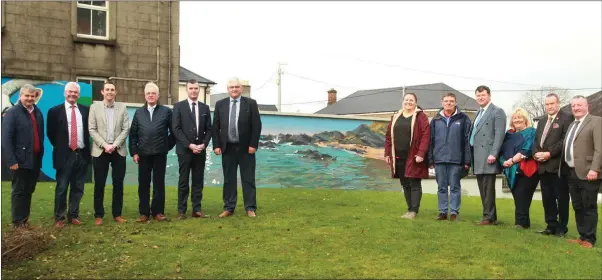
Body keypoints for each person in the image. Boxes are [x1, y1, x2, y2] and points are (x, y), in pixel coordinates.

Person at [212, 77, 262, 218]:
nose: (234, 89)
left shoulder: (251, 104)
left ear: (241, 89)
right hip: (227, 148)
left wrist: (253, 145)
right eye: (231, 87)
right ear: (228, 89)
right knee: (229, 179)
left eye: (236, 87)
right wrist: (216, 146)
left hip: (246, 149)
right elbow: (215, 127)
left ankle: (250, 207)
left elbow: (256, 126)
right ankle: (229, 207)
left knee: (248, 179)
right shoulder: (220, 104)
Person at [129, 82, 176, 223]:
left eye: (153, 93)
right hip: (142, 154)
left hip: (159, 154)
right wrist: (134, 152)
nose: (150, 95)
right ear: (145, 96)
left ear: (158, 95)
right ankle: (144, 213)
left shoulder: (166, 112)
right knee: (143, 184)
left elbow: (174, 133)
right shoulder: (138, 113)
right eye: (148, 93)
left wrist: (165, 147)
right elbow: (133, 135)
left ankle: (158, 212)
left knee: (159, 183)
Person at [47, 82, 91, 228]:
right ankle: (59, 217)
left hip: (81, 154)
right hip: (64, 155)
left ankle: (73, 215)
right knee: (62, 187)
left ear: (79, 94)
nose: (72, 94)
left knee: (78, 188)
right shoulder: (54, 111)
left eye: (75, 92)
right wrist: (62, 147)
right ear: (65, 93)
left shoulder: (85, 110)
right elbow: (51, 134)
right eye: (70, 92)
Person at [560, 95, 601, 248]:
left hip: (589, 172)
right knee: (577, 205)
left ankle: (590, 239)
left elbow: (599, 148)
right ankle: (582, 236)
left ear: (587, 106)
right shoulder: (572, 124)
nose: (576, 108)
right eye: (573, 106)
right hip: (572, 172)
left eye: (579, 105)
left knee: (588, 206)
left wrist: (594, 169)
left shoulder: (596, 121)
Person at [1, 84, 44, 228]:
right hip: (19, 161)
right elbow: (6, 139)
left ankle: (24, 220)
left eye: (32, 96)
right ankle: (17, 224)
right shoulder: (12, 112)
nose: (30, 98)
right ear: (20, 96)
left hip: (34, 160)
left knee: (28, 191)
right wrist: (11, 161)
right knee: (19, 192)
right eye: (27, 96)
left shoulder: (37, 112)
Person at [88, 81, 130, 225]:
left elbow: (126, 129)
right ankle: (98, 215)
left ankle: (117, 214)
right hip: (100, 150)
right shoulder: (94, 107)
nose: (110, 92)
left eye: (112, 90)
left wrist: (115, 145)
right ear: (102, 92)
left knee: (118, 184)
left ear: (115, 92)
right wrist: (105, 145)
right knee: (99, 183)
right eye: (107, 90)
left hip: (118, 151)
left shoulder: (122, 108)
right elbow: (92, 129)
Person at [532, 93, 573, 237]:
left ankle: (562, 227)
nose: (549, 106)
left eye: (552, 103)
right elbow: (537, 141)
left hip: (558, 166)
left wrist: (549, 153)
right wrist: (536, 154)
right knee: (547, 198)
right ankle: (551, 225)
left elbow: (565, 140)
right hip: (542, 167)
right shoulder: (542, 121)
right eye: (547, 104)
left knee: (561, 198)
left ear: (558, 103)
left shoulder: (567, 118)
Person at [384, 92, 430, 219]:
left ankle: (414, 211)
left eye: (411, 100)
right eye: (406, 100)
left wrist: (421, 153)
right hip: (398, 156)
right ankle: (410, 209)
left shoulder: (421, 117)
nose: (408, 102)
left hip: (414, 156)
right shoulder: (396, 116)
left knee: (414, 183)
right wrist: (388, 153)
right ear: (402, 101)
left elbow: (426, 136)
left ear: (416, 102)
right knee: (405, 184)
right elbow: (388, 136)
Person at [428, 92, 472, 221]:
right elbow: (430, 140)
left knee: (455, 187)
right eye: (446, 101)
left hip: (456, 160)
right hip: (439, 159)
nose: (449, 103)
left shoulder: (463, 118)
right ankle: (442, 212)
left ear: (455, 103)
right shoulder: (435, 119)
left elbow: (467, 141)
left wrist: (467, 160)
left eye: (451, 101)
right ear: (442, 103)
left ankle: (454, 213)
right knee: (441, 187)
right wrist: (430, 159)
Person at [172, 79, 212, 219]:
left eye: (196, 88)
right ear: (186, 90)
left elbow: (209, 130)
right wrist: (189, 145)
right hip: (184, 150)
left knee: (198, 181)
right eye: (191, 88)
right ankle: (181, 211)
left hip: (200, 151)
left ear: (199, 90)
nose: (193, 91)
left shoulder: (205, 108)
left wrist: (204, 145)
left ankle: (197, 209)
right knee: (183, 181)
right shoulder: (178, 107)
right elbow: (176, 129)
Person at [469, 85, 506, 225]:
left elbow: (499, 135)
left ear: (489, 95)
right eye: (478, 95)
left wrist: (494, 153)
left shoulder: (497, 112)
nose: (480, 98)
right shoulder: (479, 113)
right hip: (478, 155)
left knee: (487, 188)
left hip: (488, 155)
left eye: (483, 95)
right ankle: (490, 216)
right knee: (483, 188)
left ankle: (488, 217)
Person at [499, 108, 538, 229]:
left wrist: (512, 160)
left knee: (522, 195)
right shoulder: (508, 135)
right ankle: (524, 223)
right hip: (510, 170)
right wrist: (503, 162)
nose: (517, 120)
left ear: (525, 119)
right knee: (518, 196)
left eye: (520, 117)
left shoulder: (532, 132)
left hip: (526, 170)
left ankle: (520, 223)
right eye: (515, 118)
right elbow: (501, 151)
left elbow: (527, 149)